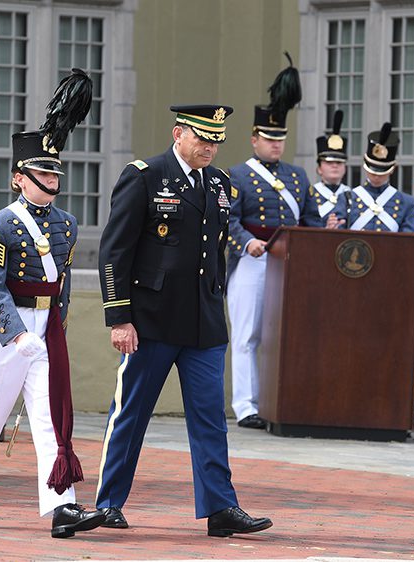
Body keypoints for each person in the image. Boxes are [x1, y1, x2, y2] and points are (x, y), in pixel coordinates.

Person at [96, 104, 273, 537]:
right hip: (152, 321)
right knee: (131, 413)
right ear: (178, 133)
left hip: (203, 324)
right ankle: (109, 503)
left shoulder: (220, 182)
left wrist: (216, 298)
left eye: (216, 140)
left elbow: (214, 254)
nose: (210, 147)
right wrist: (120, 318)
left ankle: (220, 507)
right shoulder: (144, 176)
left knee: (210, 417)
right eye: (202, 138)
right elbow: (113, 252)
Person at [0, 69, 106, 539]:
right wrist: (16, 334)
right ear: (19, 177)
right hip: (6, 331)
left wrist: (52, 329)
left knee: (50, 419)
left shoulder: (69, 224)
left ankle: (62, 508)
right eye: (41, 172)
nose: (51, 179)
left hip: (46, 329)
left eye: (54, 171)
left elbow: (65, 282)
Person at [226, 54, 306, 430]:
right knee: (247, 335)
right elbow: (228, 219)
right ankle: (246, 405)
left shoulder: (297, 176)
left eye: (281, 139)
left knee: (286, 336)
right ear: (255, 138)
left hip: (290, 264)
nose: (276, 145)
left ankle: (280, 403)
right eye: (270, 139)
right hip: (254, 261)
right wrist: (245, 243)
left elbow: (308, 219)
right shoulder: (238, 175)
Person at [325, 122, 414, 233]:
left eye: (382, 170)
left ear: (392, 169)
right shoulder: (346, 199)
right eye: (372, 168)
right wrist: (332, 229)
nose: (376, 175)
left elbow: (409, 242)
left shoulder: (406, 203)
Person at [301, 109, 351, 227]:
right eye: (329, 163)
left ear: (345, 169)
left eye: (339, 163)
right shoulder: (310, 195)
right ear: (319, 169)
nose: (335, 166)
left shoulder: (351, 195)